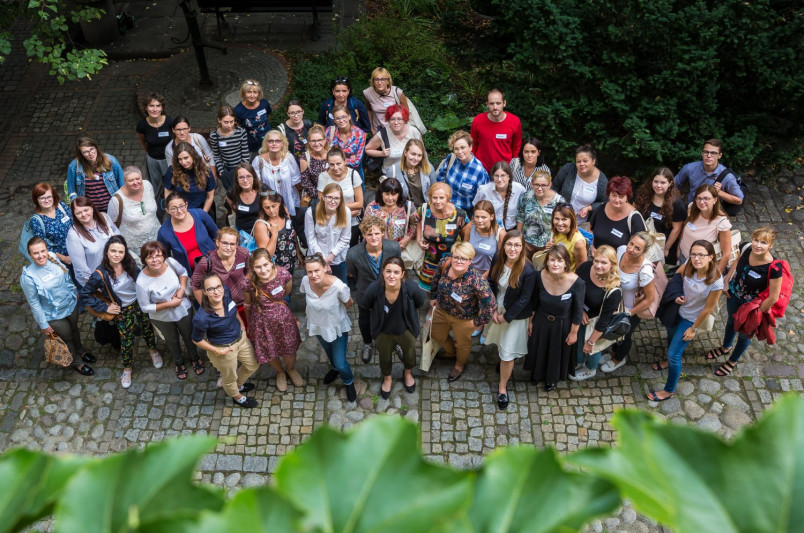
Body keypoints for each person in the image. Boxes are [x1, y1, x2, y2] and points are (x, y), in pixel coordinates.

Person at [80, 236, 161, 388]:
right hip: (122, 309)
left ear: (125, 253)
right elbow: (85, 294)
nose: (117, 255)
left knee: (147, 328)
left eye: (120, 252)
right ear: (107, 252)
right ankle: (127, 369)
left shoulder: (129, 264)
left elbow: (141, 279)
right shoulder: (100, 274)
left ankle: (153, 351)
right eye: (113, 251)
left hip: (139, 302)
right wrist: (105, 307)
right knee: (126, 340)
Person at [649, 240, 723, 401]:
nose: (696, 258)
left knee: (673, 355)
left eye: (701, 255)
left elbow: (708, 309)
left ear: (711, 257)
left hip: (690, 320)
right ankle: (668, 361)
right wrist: (676, 296)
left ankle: (669, 390)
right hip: (676, 311)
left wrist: (693, 328)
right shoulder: (689, 264)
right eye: (693, 254)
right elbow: (677, 276)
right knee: (671, 336)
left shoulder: (716, 281)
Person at [708, 226, 783, 377]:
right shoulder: (746, 248)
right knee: (731, 322)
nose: (758, 245)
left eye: (763, 243)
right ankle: (726, 347)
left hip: (751, 306)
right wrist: (726, 280)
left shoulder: (774, 268)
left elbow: (773, 297)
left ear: (770, 246)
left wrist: (756, 313)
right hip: (734, 295)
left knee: (745, 334)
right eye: (756, 240)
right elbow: (736, 261)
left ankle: (732, 360)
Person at [21, 237, 94, 376]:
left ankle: (80, 351)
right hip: (54, 315)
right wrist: (43, 324)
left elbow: (66, 275)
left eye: (42, 251)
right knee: (67, 337)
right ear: (30, 255)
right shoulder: (28, 277)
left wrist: (74, 291)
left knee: (74, 329)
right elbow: (34, 303)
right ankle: (77, 363)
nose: (40, 255)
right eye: (36, 253)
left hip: (70, 304)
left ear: (46, 250)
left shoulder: (53, 257)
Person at [430, 242, 497, 382]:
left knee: (462, 344)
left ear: (470, 261)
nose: (459, 261)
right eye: (456, 257)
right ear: (452, 256)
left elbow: (491, 305)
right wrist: (433, 296)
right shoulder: (444, 264)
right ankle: (451, 352)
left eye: (464, 258)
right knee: (436, 334)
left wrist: (477, 322)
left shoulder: (476, 280)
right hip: (442, 311)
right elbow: (435, 279)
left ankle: (459, 365)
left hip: (464, 319)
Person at [484, 231, 536, 409]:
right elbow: (491, 282)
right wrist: (492, 307)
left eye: (517, 245)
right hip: (497, 308)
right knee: (500, 342)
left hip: (514, 316)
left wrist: (506, 317)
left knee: (507, 353)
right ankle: (502, 366)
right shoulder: (497, 258)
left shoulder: (528, 270)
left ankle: (502, 388)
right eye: (509, 244)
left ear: (522, 248)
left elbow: (524, 299)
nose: (512, 249)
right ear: (503, 245)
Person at [192, 273, 260, 408]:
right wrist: (218, 351)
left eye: (218, 287)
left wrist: (241, 324)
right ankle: (237, 397)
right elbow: (197, 340)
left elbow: (233, 308)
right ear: (204, 292)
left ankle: (238, 385)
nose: (216, 292)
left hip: (240, 339)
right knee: (229, 378)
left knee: (253, 365)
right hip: (223, 348)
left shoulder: (226, 293)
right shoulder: (202, 317)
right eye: (211, 289)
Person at [136, 241, 200, 380]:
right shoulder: (141, 281)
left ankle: (194, 358)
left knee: (189, 335)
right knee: (172, 341)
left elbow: (183, 273)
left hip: (182, 309)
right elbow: (145, 307)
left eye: (158, 256)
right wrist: (169, 304)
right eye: (150, 257)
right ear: (144, 260)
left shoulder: (170, 263)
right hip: (162, 317)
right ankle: (179, 362)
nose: (155, 260)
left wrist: (182, 289)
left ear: (163, 256)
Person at [363, 256, 426, 398]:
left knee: (409, 353)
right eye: (388, 271)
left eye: (396, 272)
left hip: (406, 330)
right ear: (383, 272)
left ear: (402, 274)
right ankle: (387, 378)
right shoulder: (374, 289)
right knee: (384, 356)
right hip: (383, 332)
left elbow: (420, 302)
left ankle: (408, 373)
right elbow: (366, 305)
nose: (391, 276)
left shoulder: (411, 288)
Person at [525, 246, 584, 391]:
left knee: (555, 354)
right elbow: (534, 301)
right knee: (539, 349)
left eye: (559, 260)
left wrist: (574, 332)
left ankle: (551, 378)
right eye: (552, 260)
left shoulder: (577, 282)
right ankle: (537, 373)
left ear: (566, 263)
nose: (555, 264)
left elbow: (578, 310)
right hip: (541, 321)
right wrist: (531, 321)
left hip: (562, 325)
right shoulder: (539, 276)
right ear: (547, 261)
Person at [244, 249, 303, 392]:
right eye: (258, 267)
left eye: (265, 265)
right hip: (261, 322)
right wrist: (249, 324)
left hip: (284, 320)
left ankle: (290, 369)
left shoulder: (283, 274)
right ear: (253, 268)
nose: (263, 270)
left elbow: (286, 292)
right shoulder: (248, 282)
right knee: (270, 350)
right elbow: (248, 304)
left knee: (289, 348)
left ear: (271, 262)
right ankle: (280, 372)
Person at [301, 253, 357, 402]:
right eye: (309, 272)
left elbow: (349, 303)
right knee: (329, 352)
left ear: (325, 268)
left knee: (341, 362)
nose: (313, 275)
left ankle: (348, 381)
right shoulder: (305, 281)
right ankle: (334, 369)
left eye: (316, 270)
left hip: (336, 327)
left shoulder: (338, 287)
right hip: (317, 325)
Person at [599, 232, 657, 373]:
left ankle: (619, 358)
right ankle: (613, 352)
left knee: (624, 336)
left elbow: (650, 299)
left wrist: (629, 313)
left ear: (644, 251)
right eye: (631, 243)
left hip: (630, 309)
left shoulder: (645, 271)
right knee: (612, 331)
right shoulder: (620, 250)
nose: (631, 249)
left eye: (637, 248)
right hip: (614, 304)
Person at [346, 217, 402, 363]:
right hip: (366, 293)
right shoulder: (352, 254)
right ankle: (367, 343)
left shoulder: (394, 248)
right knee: (364, 321)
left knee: (393, 318)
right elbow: (354, 274)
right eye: (369, 234)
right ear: (363, 235)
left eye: (377, 233)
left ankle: (395, 341)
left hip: (390, 291)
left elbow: (397, 266)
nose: (373, 237)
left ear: (383, 233)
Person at [569, 246, 622, 381]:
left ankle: (590, 369)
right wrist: (580, 310)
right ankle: (580, 361)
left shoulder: (613, 289)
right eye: (596, 261)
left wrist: (591, 342)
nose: (598, 266)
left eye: (604, 263)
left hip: (596, 323)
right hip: (581, 315)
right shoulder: (586, 267)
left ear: (612, 264)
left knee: (593, 349)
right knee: (579, 342)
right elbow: (574, 288)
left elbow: (603, 321)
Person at [190, 227, 250, 323]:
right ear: (217, 242)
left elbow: (248, 271)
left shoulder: (243, 253)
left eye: (232, 244)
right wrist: (207, 309)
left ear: (237, 244)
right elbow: (196, 286)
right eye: (225, 243)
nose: (228, 248)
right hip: (223, 308)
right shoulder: (206, 262)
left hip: (244, 303)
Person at [416, 182, 468, 290]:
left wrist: (462, 254)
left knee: (448, 290)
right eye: (434, 197)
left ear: (448, 197)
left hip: (452, 261)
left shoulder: (459, 214)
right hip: (430, 260)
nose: (438, 201)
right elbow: (418, 221)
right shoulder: (424, 210)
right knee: (429, 290)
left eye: (441, 198)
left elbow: (466, 235)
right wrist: (418, 240)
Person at [106, 166, 160, 265]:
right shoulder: (116, 200)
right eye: (131, 180)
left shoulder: (147, 185)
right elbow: (111, 224)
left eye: (138, 179)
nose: (135, 182)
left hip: (156, 237)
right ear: (124, 181)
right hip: (135, 247)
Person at [252, 130, 302, 231]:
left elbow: (296, 180)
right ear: (266, 143)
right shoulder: (258, 160)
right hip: (270, 205)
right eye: (271, 141)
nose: (274, 143)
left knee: (292, 230)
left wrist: (301, 200)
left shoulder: (289, 158)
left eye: (277, 141)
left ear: (282, 143)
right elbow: (255, 185)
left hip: (290, 201)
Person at [674, 138, 744, 211]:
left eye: (713, 153)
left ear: (719, 155)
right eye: (706, 152)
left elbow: (739, 200)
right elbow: (673, 185)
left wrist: (719, 192)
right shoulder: (689, 168)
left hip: (713, 212)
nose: (709, 156)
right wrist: (679, 202)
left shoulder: (727, 176)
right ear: (702, 153)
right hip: (692, 209)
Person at [634, 167, 686, 264]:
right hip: (642, 243)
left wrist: (666, 248)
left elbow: (677, 229)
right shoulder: (644, 196)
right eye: (656, 181)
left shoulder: (677, 203)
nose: (658, 185)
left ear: (670, 184)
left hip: (663, 246)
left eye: (663, 183)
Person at [156, 192, 217, 273]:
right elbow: (165, 258)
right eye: (174, 208)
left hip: (214, 265)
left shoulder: (200, 214)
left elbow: (218, 236)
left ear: (186, 205)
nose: (179, 211)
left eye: (181, 206)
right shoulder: (164, 232)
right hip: (189, 273)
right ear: (167, 210)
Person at [678, 185, 733, 274]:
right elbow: (685, 227)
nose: (702, 202)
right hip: (684, 255)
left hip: (700, 264)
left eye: (706, 198)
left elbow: (726, 254)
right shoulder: (692, 208)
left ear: (715, 200)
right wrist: (679, 247)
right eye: (699, 198)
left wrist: (715, 276)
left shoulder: (722, 223)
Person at [65, 196, 120, 286]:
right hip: (98, 281)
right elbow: (81, 269)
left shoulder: (104, 218)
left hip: (116, 271)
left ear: (92, 208)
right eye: (78, 213)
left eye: (86, 210)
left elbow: (117, 233)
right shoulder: (73, 235)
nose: (83, 214)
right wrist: (95, 285)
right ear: (74, 215)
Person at [317, 146, 364, 246]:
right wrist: (347, 212)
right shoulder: (323, 177)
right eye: (331, 164)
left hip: (352, 223)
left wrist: (334, 207)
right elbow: (322, 203)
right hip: (331, 223)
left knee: (350, 250)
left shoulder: (353, 175)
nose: (335, 168)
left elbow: (360, 203)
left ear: (345, 161)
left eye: (338, 164)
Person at [436, 130, 488, 218]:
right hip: (446, 208)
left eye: (463, 147)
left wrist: (473, 219)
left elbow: (482, 199)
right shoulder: (451, 159)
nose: (459, 151)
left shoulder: (479, 171)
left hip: (465, 214)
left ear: (470, 147)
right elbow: (440, 179)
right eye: (456, 148)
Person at [305, 183, 351, 283]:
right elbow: (310, 239)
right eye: (330, 197)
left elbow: (345, 238)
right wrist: (322, 260)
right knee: (317, 287)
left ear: (341, 200)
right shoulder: (311, 212)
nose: (333, 201)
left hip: (337, 258)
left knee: (341, 286)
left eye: (336, 198)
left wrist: (329, 258)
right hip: (316, 258)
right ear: (323, 197)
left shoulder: (346, 212)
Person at [66, 134, 124, 211]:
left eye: (92, 149)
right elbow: (71, 190)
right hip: (90, 210)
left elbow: (122, 184)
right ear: (81, 154)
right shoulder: (74, 166)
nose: (90, 153)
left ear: (96, 148)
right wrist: (78, 207)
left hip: (113, 207)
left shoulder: (111, 160)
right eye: (85, 152)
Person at [470, 89, 523, 173]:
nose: (495, 107)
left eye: (498, 103)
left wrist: (513, 167)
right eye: (492, 104)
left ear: (504, 103)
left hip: (504, 171)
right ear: (487, 104)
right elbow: (473, 144)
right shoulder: (478, 120)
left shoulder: (514, 121)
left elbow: (516, 147)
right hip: (481, 169)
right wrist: (472, 164)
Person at [588, 176, 646, 252]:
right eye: (614, 195)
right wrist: (591, 246)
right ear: (609, 195)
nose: (617, 200)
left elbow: (641, 247)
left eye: (621, 197)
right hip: (596, 256)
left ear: (627, 197)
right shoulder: (601, 208)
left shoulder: (635, 218)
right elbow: (590, 229)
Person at [553, 145, 608, 223]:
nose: (581, 164)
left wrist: (589, 208)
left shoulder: (601, 181)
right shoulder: (569, 170)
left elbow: (604, 202)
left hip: (579, 222)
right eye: (578, 161)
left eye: (585, 161)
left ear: (593, 161)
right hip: (558, 218)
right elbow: (555, 186)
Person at [516, 170, 565, 257]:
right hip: (526, 244)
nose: (539, 188)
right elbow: (521, 217)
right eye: (536, 185)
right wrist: (518, 238)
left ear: (549, 185)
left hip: (546, 247)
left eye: (543, 185)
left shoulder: (559, 201)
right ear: (531, 184)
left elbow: (563, 224)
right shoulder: (526, 197)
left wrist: (555, 242)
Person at [363, 104, 421, 176]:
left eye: (399, 119)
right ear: (388, 120)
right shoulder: (383, 134)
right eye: (392, 119)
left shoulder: (413, 132)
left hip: (411, 173)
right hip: (391, 174)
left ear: (405, 120)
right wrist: (381, 153)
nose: (396, 122)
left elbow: (422, 151)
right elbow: (367, 149)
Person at [364, 175, 419, 247]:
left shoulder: (408, 206)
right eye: (387, 194)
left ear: (399, 194)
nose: (390, 198)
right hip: (377, 248)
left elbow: (415, 224)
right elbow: (365, 228)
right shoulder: (372, 208)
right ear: (381, 193)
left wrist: (407, 238)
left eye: (394, 194)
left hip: (400, 248)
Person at [254, 192, 302, 273]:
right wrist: (274, 234)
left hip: (291, 261)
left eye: (274, 206)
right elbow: (266, 255)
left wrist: (298, 254)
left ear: (279, 203)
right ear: (262, 208)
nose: (271, 210)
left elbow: (293, 236)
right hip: (274, 268)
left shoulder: (284, 213)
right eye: (267, 208)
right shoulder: (261, 225)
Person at [135, 92, 172, 196]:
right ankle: (158, 202)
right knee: (155, 185)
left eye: (158, 106)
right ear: (146, 108)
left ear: (162, 108)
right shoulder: (142, 125)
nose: (155, 109)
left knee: (171, 183)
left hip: (168, 159)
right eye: (151, 106)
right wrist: (149, 152)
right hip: (153, 160)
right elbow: (142, 141)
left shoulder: (169, 122)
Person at [164, 141, 217, 214]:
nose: (183, 162)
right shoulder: (172, 170)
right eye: (180, 159)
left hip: (201, 210)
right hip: (180, 212)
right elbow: (168, 192)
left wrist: (202, 215)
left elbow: (209, 197)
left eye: (186, 158)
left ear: (193, 156)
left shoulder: (206, 171)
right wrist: (172, 210)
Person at [29, 183, 73, 266]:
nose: (46, 200)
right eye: (42, 198)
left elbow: (75, 224)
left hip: (77, 250)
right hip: (60, 259)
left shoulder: (61, 206)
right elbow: (44, 246)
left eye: (49, 197)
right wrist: (64, 259)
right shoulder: (36, 221)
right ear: (36, 200)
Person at [208, 105, 250, 192]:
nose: (229, 125)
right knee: (231, 192)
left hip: (241, 166)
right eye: (226, 122)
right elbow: (216, 155)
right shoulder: (214, 136)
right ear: (219, 120)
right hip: (226, 170)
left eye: (231, 122)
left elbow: (245, 152)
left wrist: (243, 169)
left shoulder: (240, 132)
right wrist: (221, 171)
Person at [474, 161, 526, 231]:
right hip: (490, 230)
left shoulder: (519, 189)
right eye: (496, 176)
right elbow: (476, 208)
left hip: (511, 230)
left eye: (503, 175)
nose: (499, 179)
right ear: (493, 176)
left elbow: (523, 211)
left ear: (509, 176)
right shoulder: (484, 190)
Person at [164, 116, 218, 181]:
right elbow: (172, 168)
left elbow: (210, 156)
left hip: (204, 176)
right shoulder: (170, 148)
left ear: (189, 128)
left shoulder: (198, 138)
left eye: (184, 129)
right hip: (185, 180)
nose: (182, 132)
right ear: (173, 130)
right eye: (178, 130)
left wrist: (213, 176)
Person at [461, 200, 504, 276]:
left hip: (489, 275)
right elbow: (464, 250)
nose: (479, 220)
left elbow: (500, 261)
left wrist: (483, 278)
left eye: (483, 217)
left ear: (492, 217)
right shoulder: (470, 226)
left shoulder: (500, 233)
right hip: (469, 271)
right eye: (477, 217)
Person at [325, 105, 367, 182]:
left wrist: (334, 154)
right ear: (334, 120)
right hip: (334, 171)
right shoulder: (330, 131)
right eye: (337, 118)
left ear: (349, 117)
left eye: (344, 117)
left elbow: (356, 162)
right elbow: (324, 154)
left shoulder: (360, 134)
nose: (341, 120)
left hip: (353, 173)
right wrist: (349, 158)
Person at [387, 139, 434, 206]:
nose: (416, 158)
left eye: (419, 155)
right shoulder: (393, 171)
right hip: (403, 209)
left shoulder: (428, 168)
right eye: (413, 154)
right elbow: (387, 194)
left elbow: (435, 190)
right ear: (405, 152)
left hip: (426, 209)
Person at [363, 67, 409, 134]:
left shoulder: (397, 92)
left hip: (396, 130)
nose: (379, 82)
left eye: (383, 79)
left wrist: (402, 130)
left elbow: (406, 112)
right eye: (376, 79)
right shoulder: (368, 93)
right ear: (373, 82)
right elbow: (369, 110)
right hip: (378, 131)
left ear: (388, 81)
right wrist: (372, 129)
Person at [234, 79, 272, 155]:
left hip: (268, 138)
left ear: (259, 93)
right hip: (252, 143)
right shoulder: (238, 110)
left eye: (255, 92)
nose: (252, 95)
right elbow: (237, 127)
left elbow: (268, 116)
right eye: (249, 92)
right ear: (244, 93)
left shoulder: (264, 104)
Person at [545, 204, 587, 272]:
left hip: (567, 275)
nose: (560, 223)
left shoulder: (578, 242)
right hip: (554, 271)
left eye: (564, 219)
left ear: (571, 220)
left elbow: (582, 269)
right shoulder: (556, 231)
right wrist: (551, 248)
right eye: (557, 219)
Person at [225, 163, 263, 234]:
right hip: (241, 232)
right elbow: (233, 208)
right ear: (237, 179)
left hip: (260, 231)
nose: (245, 180)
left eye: (248, 176)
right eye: (241, 177)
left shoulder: (262, 189)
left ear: (254, 177)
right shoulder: (232, 192)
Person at [298, 125, 330, 206]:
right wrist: (322, 198)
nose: (317, 143)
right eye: (313, 141)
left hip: (334, 195)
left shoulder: (332, 154)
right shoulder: (305, 158)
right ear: (309, 142)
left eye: (319, 140)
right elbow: (306, 183)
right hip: (314, 199)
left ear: (325, 140)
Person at [277, 99, 314, 164]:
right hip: (291, 164)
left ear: (303, 111)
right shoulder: (281, 130)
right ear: (288, 114)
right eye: (292, 113)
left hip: (309, 162)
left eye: (298, 112)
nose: (296, 116)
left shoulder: (309, 124)